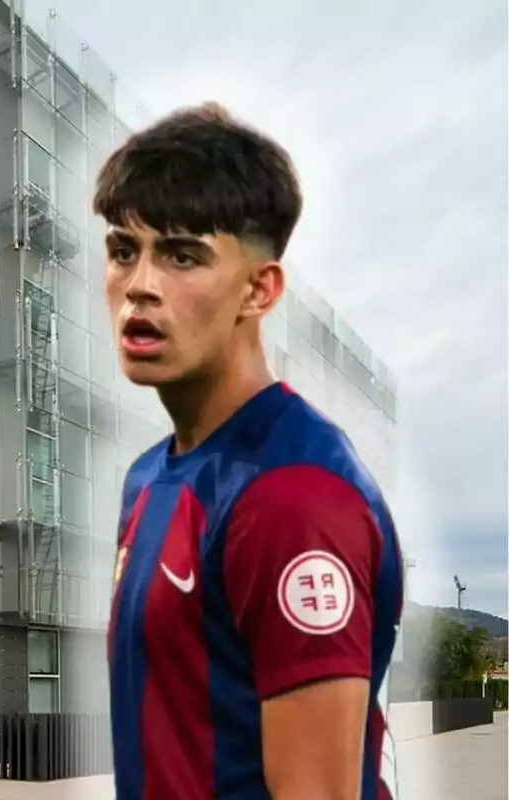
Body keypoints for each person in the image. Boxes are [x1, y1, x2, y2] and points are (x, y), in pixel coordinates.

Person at [97, 103, 403, 800]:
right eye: (123, 250)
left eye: (181, 255)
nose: (139, 284)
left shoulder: (291, 496)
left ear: (258, 291)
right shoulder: (147, 478)